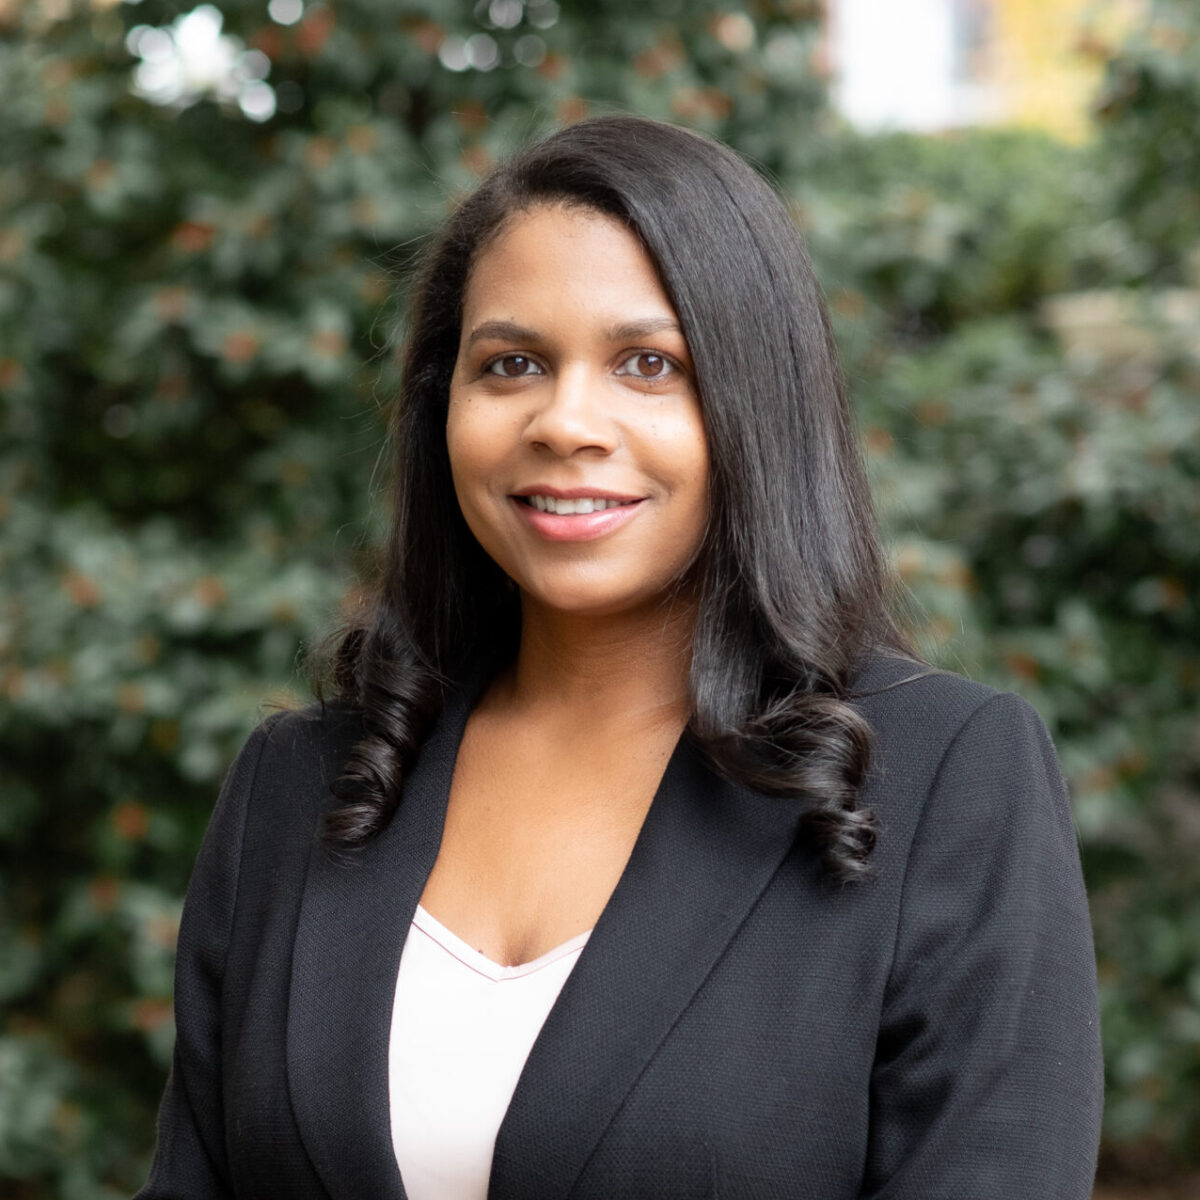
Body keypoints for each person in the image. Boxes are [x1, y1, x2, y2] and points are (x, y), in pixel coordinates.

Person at [138, 115, 1103, 1200]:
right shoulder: (296, 785)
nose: (566, 422)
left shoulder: (947, 776)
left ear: (755, 403)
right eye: (511, 364)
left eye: (649, 364)